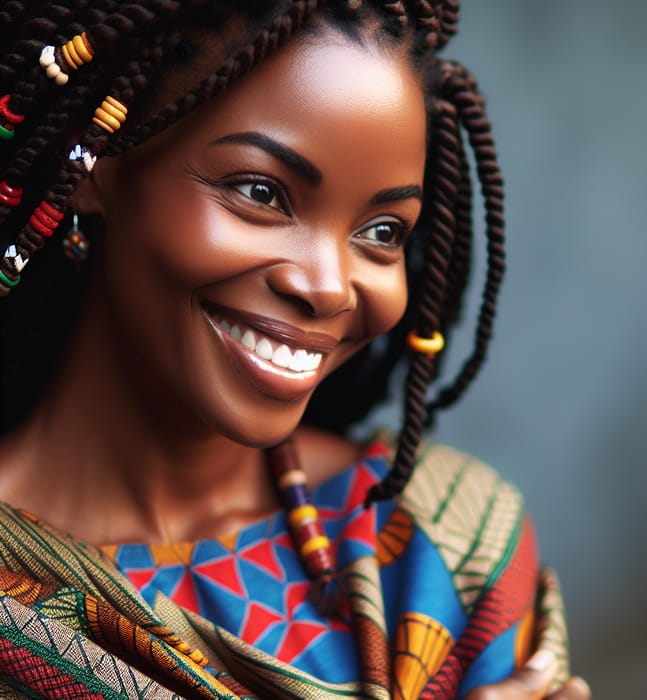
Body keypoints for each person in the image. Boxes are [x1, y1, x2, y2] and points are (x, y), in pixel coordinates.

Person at [0, 1, 590, 698]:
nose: (329, 287)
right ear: (93, 162)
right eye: (260, 192)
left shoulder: (448, 542)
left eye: (381, 231)